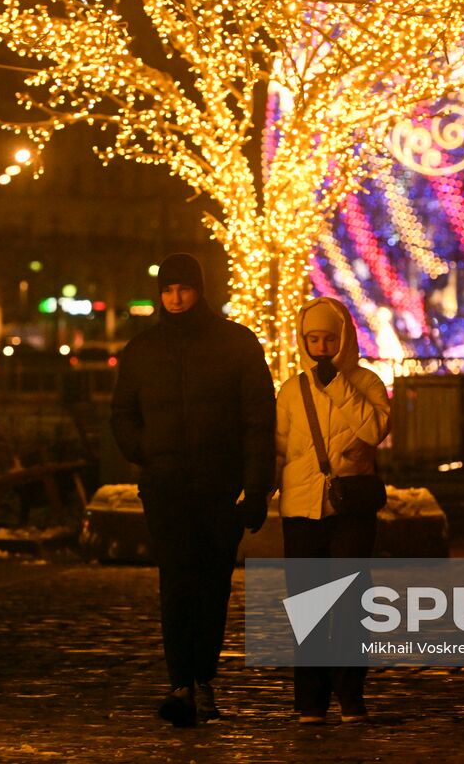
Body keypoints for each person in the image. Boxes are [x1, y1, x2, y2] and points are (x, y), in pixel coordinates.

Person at [111, 252, 276, 727]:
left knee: (212, 584)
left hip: (218, 485)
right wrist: (146, 450)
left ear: (200, 290)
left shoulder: (236, 344)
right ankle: (183, 681)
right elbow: (122, 413)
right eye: (168, 290)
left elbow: (257, 420)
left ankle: (200, 677)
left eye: (183, 288)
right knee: (178, 582)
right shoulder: (143, 349)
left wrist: (256, 483)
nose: (176, 297)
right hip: (166, 485)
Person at [275, 296, 390, 724]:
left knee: (351, 603)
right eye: (313, 339)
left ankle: (350, 693)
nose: (321, 347)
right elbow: (281, 448)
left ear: (343, 340)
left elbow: (375, 429)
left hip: (350, 508)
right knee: (308, 605)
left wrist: (339, 385)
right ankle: (310, 699)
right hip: (301, 509)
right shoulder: (292, 390)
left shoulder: (367, 383)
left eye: (328, 339)